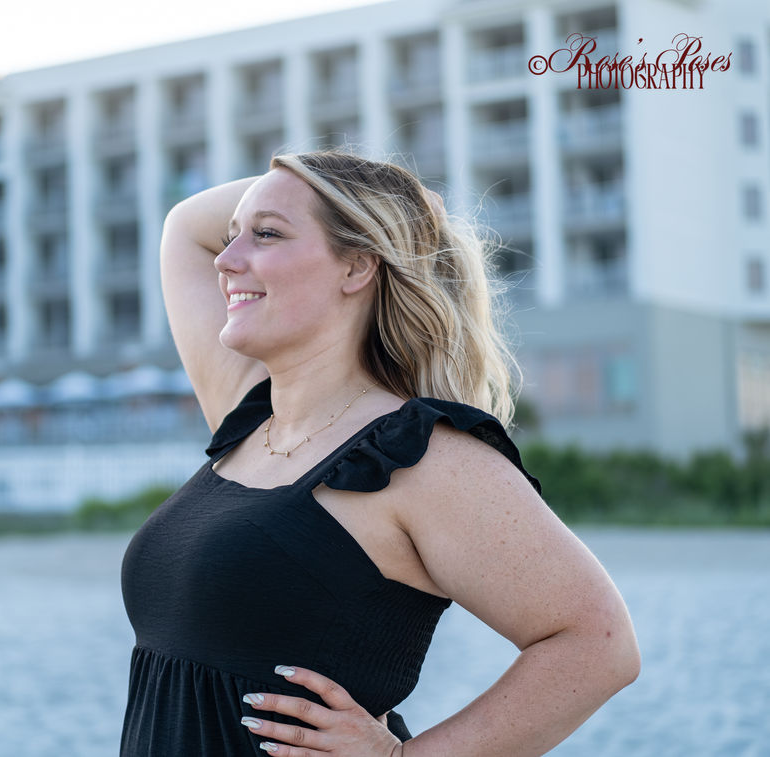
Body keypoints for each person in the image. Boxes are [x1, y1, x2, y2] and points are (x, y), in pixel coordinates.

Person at [120, 150, 639, 756]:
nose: (227, 259)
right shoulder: (252, 418)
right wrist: (398, 200)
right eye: (233, 235)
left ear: (357, 266)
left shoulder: (415, 456)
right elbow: (186, 227)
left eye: (266, 235)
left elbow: (599, 644)